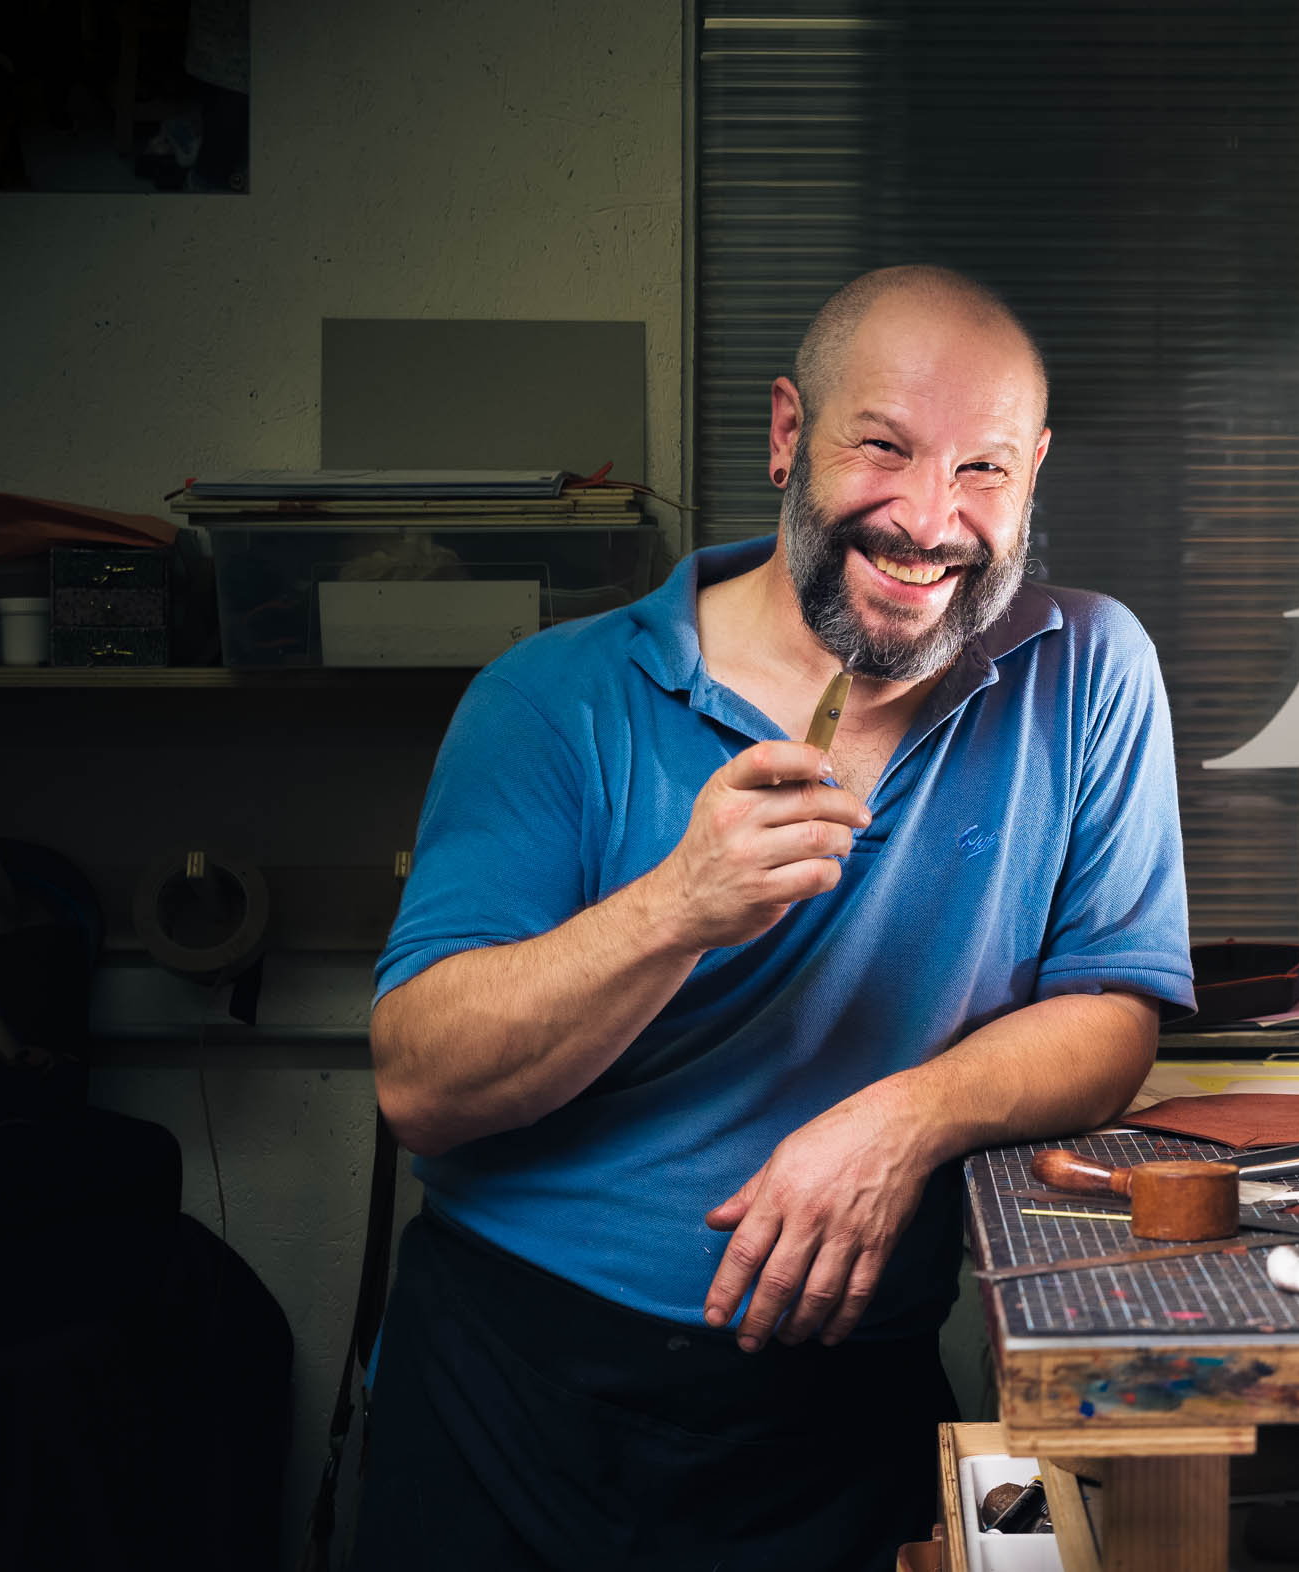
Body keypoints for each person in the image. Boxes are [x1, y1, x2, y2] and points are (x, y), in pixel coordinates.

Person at [354, 266, 1191, 1570]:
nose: (929, 521)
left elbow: (1114, 1014)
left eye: (982, 470)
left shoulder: (1088, 671)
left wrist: (897, 1123)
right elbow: (420, 1088)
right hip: (518, 1391)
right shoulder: (556, 698)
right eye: (885, 449)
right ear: (789, 433)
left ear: (1034, 473)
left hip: (846, 1400)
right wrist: (676, 907)